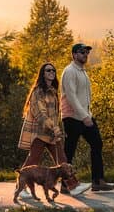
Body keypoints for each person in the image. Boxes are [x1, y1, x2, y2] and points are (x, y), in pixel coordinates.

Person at [17, 62, 89, 196]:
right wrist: (53, 127)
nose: (51, 72)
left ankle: (73, 186)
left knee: (62, 160)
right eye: (48, 70)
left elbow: (54, 115)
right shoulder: (38, 92)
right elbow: (41, 114)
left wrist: (57, 128)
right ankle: (21, 187)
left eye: (53, 71)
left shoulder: (53, 92)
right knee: (32, 161)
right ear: (42, 74)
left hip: (51, 134)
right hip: (39, 133)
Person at [60, 42, 114, 192]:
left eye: (86, 52)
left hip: (84, 116)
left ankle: (98, 181)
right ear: (74, 55)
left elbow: (84, 96)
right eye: (81, 52)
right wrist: (84, 116)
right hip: (72, 117)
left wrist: (87, 114)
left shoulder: (82, 71)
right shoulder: (70, 71)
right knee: (69, 150)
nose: (85, 54)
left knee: (97, 144)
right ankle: (65, 184)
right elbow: (71, 97)